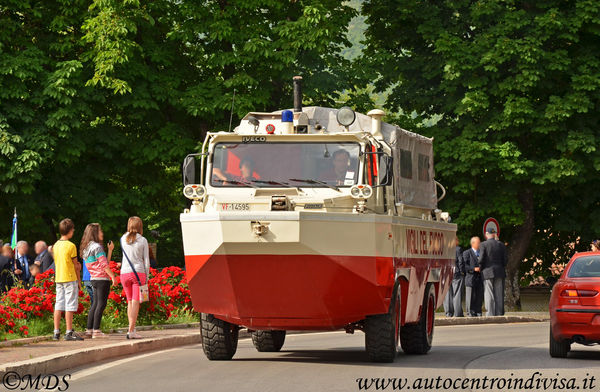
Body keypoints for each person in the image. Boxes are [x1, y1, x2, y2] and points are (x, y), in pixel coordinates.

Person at [81, 223, 117, 339]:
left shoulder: (87, 247)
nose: (102, 233)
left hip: (93, 279)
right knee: (101, 304)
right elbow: (104, 264)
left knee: (95, 304)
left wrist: (110, 250)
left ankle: (89, 330)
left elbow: (101, 262)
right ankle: (96, 330)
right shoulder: (97, 247)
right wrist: (112, 276)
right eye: (100, 231)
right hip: (102, 279)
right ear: (95, 233)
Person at [53, 218, 84, 341]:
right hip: (70, 277)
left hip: (59, 277)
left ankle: (56, 332)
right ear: (70, 231)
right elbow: (76, 265)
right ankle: (69, 331)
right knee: (70, 305)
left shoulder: (56, 245)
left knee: (58, 304)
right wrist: (79, 281)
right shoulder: (71, 246)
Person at [120, 216, 150, 339]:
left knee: (130, 301)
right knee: (136, 302)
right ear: (140, 226)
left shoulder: (122, 239)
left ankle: (131, 329)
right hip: (138, 273)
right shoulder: (142, 240)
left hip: (124, 273)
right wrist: (146, 278)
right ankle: (131, 330)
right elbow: (146, 262)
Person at [478, 228, 508, 316]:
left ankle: (490, 314)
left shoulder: (484, 244)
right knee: (499, 294)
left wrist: (480, 267)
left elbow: (481, 259)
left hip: (487, 271)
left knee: (489, 293)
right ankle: (499, 313)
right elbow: (505, 260)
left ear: (487, 234)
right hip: (499, 271)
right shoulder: (501, 245)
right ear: (494, 234)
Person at [443, 237, 464, 317]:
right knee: (457, 293)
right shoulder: (458, 249)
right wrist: (462, 271)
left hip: (446, 273)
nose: (458, 241)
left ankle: (448, 313)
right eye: (457, 240)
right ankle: (458, 313)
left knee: (447, 294)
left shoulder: (444, 249)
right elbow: (460, 261)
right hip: (456, 273)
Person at [463, 236, 483, 317]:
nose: (480, 244)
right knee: (470, 296)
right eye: (478, 242)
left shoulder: (481, 252)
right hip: (471, 278)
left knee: (479, 296)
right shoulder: (467, 253)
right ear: (473, 243)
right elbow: (464, 266)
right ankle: (470, 312)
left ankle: (478, 311)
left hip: (479, 278)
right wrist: (473, 269)